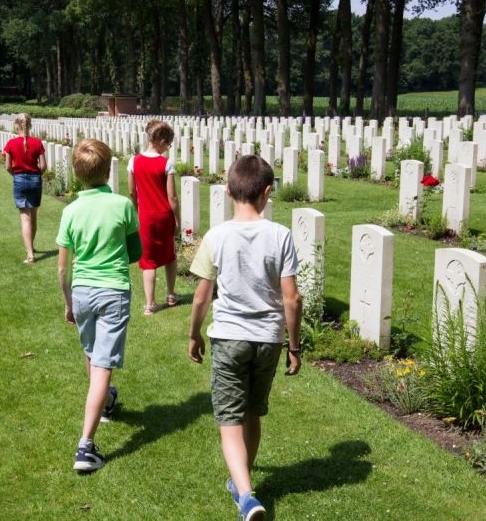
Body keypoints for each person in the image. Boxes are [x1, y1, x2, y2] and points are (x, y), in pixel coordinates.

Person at [187, 155, 303, 520]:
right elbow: (292, 298)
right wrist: (294, 346)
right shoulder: (280, 235)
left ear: (227, 191)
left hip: (229, 337)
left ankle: (247, 496)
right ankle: (241, 481)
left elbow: (203, 295)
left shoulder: (216, 236)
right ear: (267, 192)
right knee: (252, 412)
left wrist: (193, 334)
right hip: (268, 338)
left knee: (229, 419)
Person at [56, 139, 142, 473]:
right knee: (103, 364)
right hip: (113, 291)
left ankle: (105, 401)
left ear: (77, 174)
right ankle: (85, 447)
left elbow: (63, 268)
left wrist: (68, 303)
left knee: (93, 354)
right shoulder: (122, 205)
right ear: (108, 170)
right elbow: (135, 253)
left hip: (81, 291)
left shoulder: (70, 211)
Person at [127, 121, 180, 316]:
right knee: (169, 255)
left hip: (146, 216)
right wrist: (178, 221)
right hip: (164, 215)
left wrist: (136, 210)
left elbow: (132, 192)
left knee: (148, 260)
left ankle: (150, 305)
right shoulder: (166, 164)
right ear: (162, 141)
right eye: (169, 144)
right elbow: (172, 197)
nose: (168, 148)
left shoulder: (133, 161)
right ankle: (171, 294)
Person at [4, 113, 46, 264]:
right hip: (35, 179)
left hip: (19, 179)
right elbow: (43, 166)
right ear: (30, 125)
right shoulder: (38, 142)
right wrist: (36, 175)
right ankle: (31, 247)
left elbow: (8, 166)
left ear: (17, 126)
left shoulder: (11, 143)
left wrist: (15, 175)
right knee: (33, 216)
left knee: (25, 218)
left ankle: (30, 254)